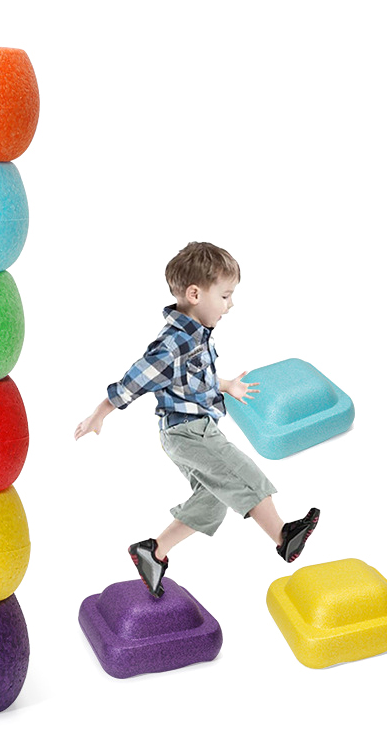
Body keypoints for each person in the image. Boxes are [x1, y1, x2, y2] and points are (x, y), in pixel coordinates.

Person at [74, 242, 319, 598]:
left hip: (189, 431)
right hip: (189, 432)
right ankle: (284, 537)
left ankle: (153, 551)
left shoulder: (195, 335)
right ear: (194, 294)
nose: (230, 305)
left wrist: (228, 385)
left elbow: (194, 378)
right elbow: (134, 381)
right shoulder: (173, 343)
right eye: (225, 296)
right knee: (242, 473)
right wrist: (99, 413)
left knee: (213, 498)